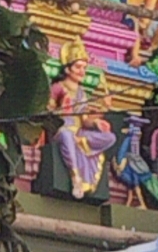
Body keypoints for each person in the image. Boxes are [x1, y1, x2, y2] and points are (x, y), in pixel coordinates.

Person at [49, 40, 116, 200]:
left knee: (111, 137)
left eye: (84, 68)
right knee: (66, 135)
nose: (82, 71)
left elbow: (84, 120)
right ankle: (75, 177)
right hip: (61, 130)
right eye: (78, 67)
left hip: (79, 133)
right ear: (67, 68)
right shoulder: (58, 87)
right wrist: (60, 110)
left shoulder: (82, 93)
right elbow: (47, 111)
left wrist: (96, 123)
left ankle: (80, 144)